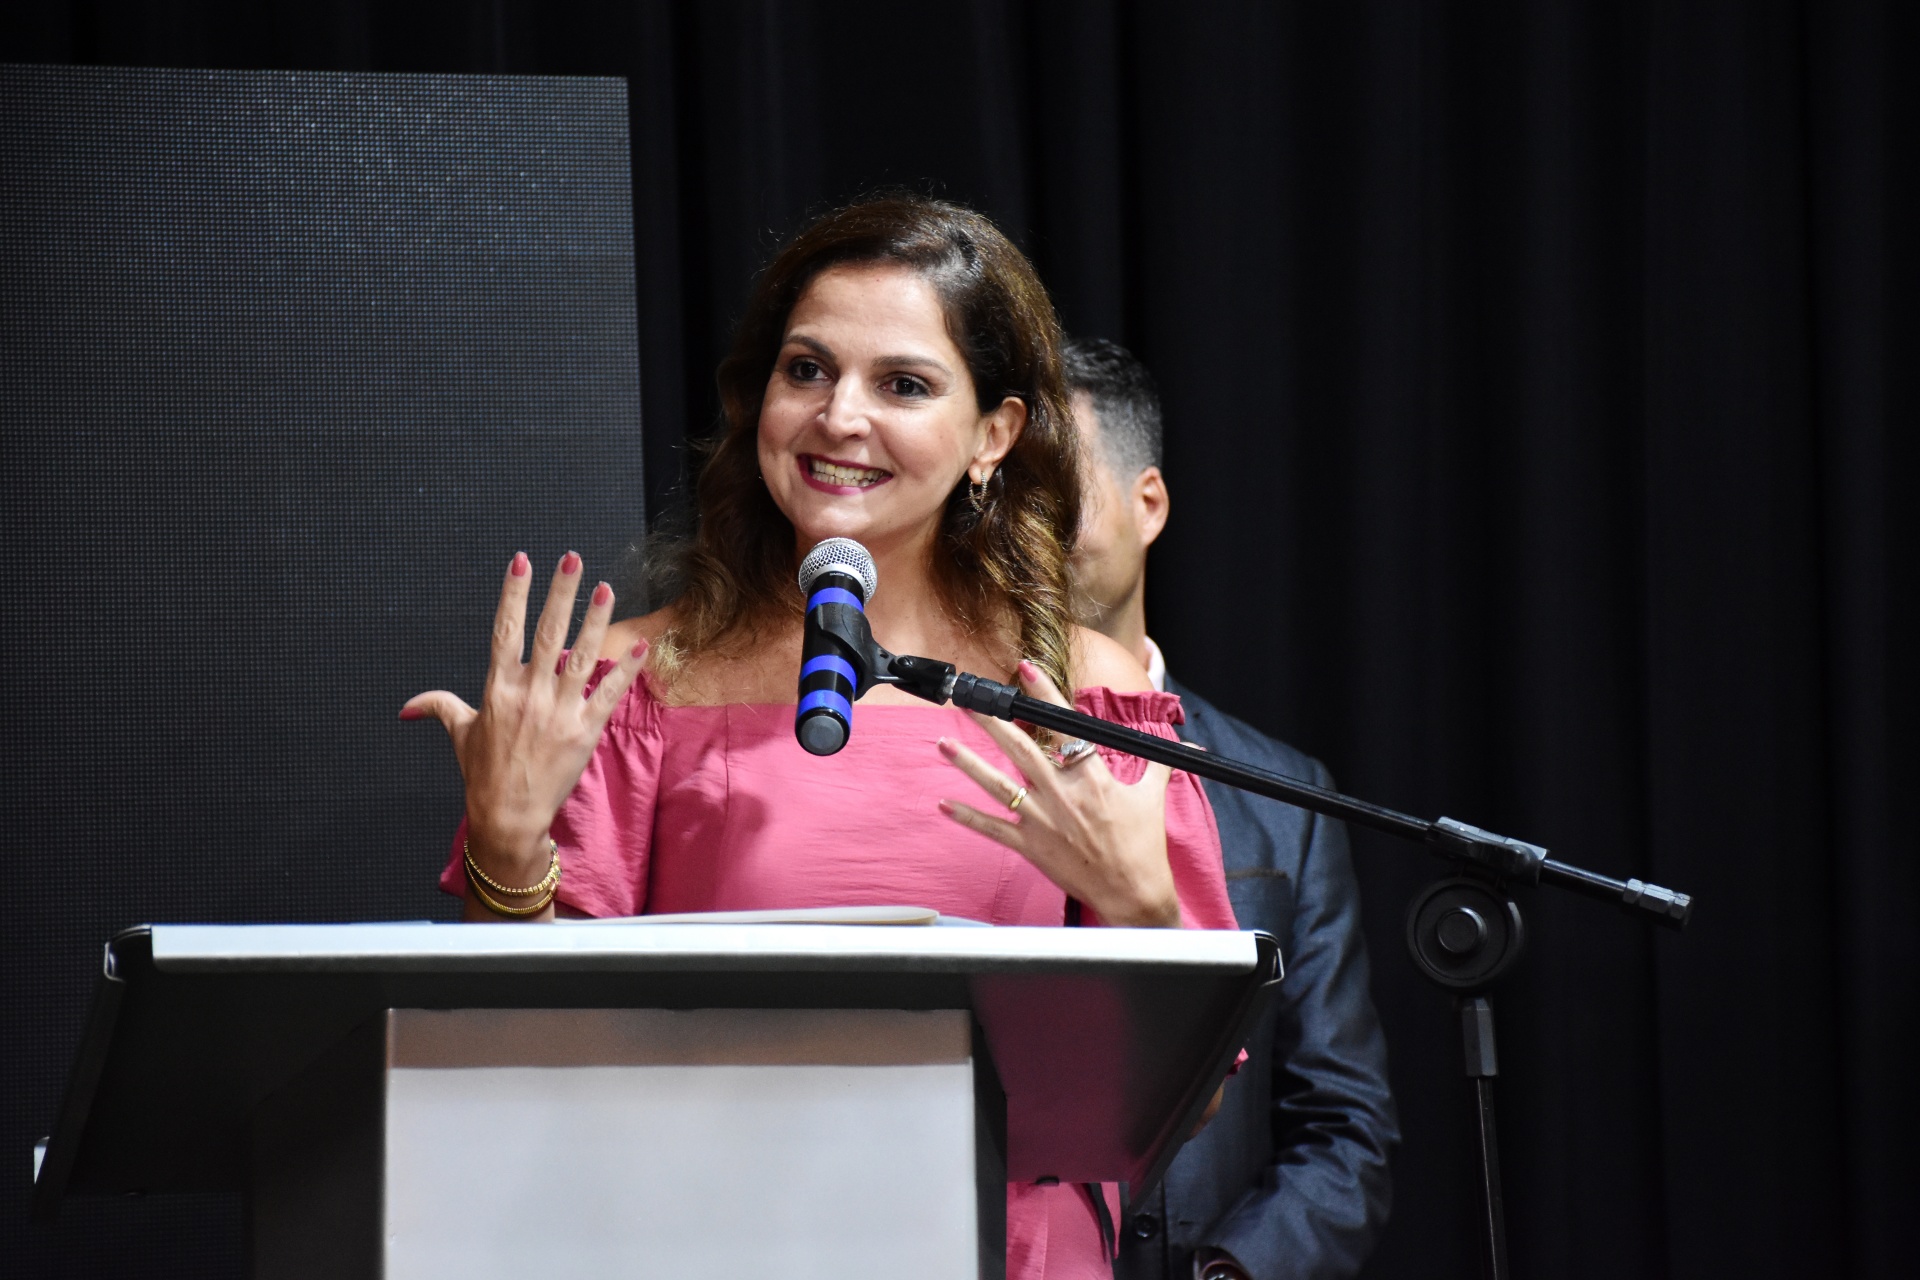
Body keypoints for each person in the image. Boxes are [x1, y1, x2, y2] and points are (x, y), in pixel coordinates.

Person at [402, 197, 1239, 1280]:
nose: (839, 416)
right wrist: (508, 848)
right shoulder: (631, 679)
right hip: (696, 1241)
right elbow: (519, 1057)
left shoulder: (1085, 693)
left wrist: (1144, 913)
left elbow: (1187, 1103)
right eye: (807, 370)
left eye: (903, 385)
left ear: (993, 435)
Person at [1063, 337, 1398, 1280]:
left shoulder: (1282, 797)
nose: (1025, 529)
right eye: (1003, 497)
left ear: (1149, 504)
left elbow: (1345, 1124)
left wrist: (1230, 1274)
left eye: (1058, 492)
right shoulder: (939, 760)